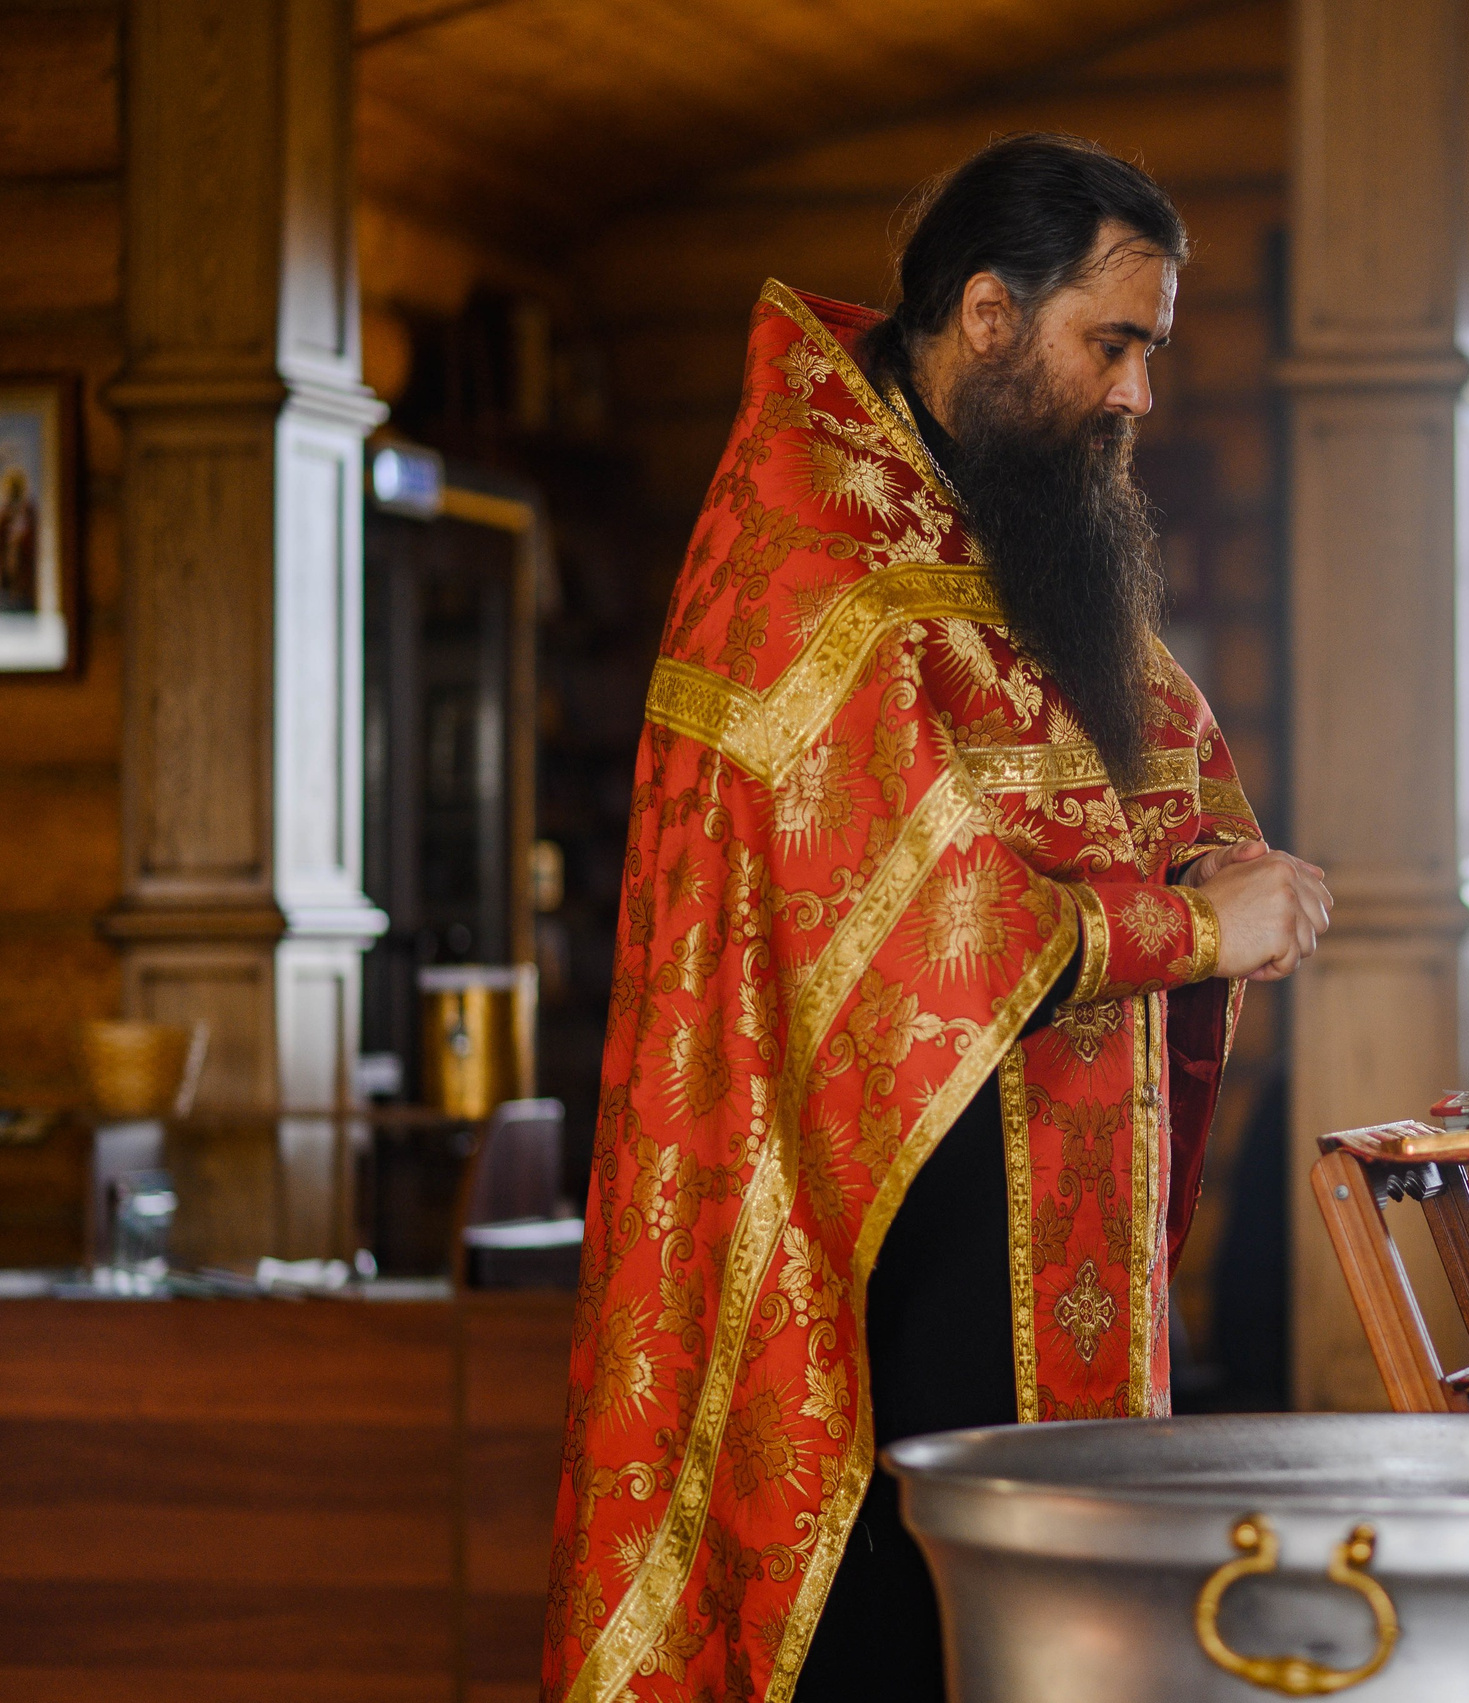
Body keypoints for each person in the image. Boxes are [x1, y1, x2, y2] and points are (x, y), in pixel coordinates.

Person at [542, 134, 1333, 1703]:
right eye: (1114, 342)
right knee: (887, 1621)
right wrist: (1189, 930)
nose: (1135, 395)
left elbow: (1151, 753)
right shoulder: (811, 541)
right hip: (869, 1238)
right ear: (986, 311)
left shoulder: (1016, 524)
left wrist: (1230, 862)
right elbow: (928, 915)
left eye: (1151, 353)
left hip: (1052, 1213)